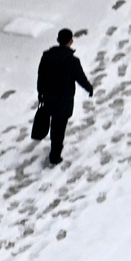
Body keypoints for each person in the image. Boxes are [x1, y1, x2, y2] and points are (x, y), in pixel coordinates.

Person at [32, 28, 93, 165]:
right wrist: (89, 88)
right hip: (64, 100)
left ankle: (53, 146)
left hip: (49, 97)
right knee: (59, 127)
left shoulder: (46, 56)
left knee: (51, 119)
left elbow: (41, 76)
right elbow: (80, 78)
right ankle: (55, 155)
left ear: (58, 40)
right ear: (71, 42)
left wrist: (40, 93)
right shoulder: (73, 61)